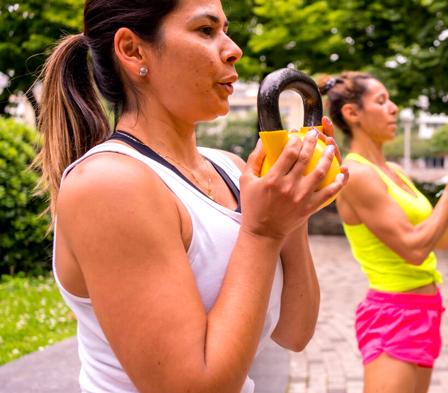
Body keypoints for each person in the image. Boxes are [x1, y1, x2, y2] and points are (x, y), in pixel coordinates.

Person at [38, 1, 347, 392]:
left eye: (225, 29)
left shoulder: (232, 168)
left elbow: (294, 332)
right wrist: (262, 233)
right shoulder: (109, 183)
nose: (234, 48)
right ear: (133, 51)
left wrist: (292, 213)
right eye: (205, 30)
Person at [318, 72, 448, 393]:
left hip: (426, 312)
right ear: (352, 113)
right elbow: (413, 249)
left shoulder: (395, 172)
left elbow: (438, 240)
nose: (394, 108)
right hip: (393, 315)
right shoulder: (358, 173)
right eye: (381, 101)